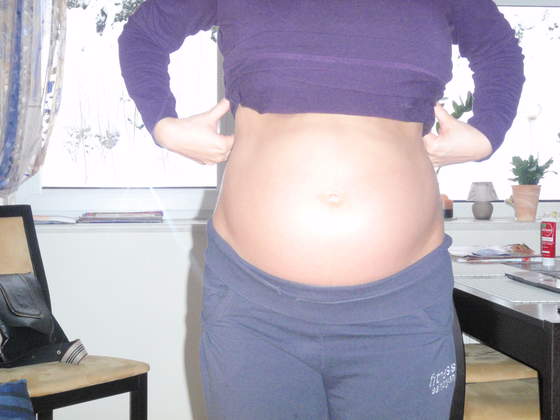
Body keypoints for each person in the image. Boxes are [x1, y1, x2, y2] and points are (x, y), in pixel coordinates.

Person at [118, 0, 524, 418]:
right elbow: (145, 33)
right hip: (252, 310)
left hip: (403, 310)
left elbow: (497, 48)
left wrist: (487, 131)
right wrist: (164, 125)